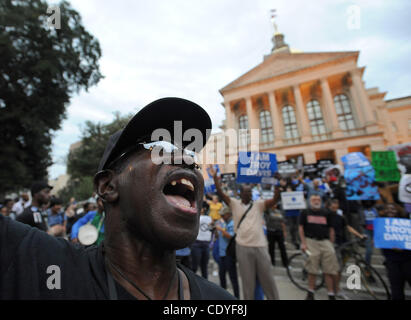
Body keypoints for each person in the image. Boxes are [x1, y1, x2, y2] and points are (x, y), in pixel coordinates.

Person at [0, 97, 234, 300]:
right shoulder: (40, 265)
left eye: (192, 154)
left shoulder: (220, 300)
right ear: (108, 186)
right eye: (161, 147)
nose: (186, 158)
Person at [210, 166, 280, 300]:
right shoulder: (234, 204)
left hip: (260, 246)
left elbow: (275, 200)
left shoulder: (259, 204)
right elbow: (220, 193)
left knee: (268, 281)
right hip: (242, 247)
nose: (248, 194)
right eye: (245, 192)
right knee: (248, 284)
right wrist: (215, 178)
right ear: (240, 193)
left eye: (249, 192)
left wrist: (276, 184)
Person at [298, 194, 339, 300]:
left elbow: (331, 229)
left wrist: (331, 243)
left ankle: (331, 293)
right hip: (311, 241)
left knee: (329, 269)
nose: (316, 201)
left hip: (325, 241)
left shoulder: (327, 213)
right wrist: (303, 243)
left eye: (318, 199)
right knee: (312, 268)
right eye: (314, 199)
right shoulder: (305, 212)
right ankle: (310, 292)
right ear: (309, 201)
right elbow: (301, 228)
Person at [327, 198, 365, 299]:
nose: (334, 206)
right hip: (333, 244)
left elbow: (348, 227)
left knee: (339, 269)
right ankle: (336, 289)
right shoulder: (326, 216)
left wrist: (359, 235)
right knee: (336, 268)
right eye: (332, 204)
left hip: (343, 243)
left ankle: (336, 288)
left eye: (336, 204)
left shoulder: (341, 217)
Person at [380, 203, 411, 300]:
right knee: (396, 290)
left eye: (393, 209)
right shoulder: (382, 224)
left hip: (408, 260)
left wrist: (403, 248)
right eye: (387, 209)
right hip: (392, 262)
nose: (390, 210)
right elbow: (381, 241)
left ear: (398, 210)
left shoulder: (406, 223)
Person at [215, 206, 240, 298]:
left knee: (233, 277)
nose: (221, 216)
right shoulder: (223, 223)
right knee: (222, 276)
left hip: (229, 255)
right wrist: (216, 230)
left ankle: (237, 297)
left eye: (223, 215)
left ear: (228, 214)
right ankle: (223, 296)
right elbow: (219, 236)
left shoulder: (232, 223)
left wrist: (220, 229)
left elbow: (230, 236)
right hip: (222, 254)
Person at [191, 202, 213, 279]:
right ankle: (192, 282)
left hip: (206, 245)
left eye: (203, 208)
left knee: (204, 267)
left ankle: (205, 284)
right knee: (194, 266)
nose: (203, 209)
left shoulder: (209, 218)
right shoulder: (195, 216)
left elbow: (211, 230)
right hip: (196, 244)